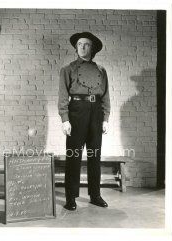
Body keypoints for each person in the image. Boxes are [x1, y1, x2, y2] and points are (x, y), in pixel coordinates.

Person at [58, 32, 110, 211]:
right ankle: (70, 197)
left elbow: (105, 96)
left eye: (86, 44)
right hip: (76, 112)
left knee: (95, 155)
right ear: (75, 47)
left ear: (92, 48)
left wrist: (105, 119)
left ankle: (95, 195)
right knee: (74, 156)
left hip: (96, 113)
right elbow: (63, 96)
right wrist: (65, 119)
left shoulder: (101, 70)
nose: (82, 47)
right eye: (79, 44)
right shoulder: (68, 69)